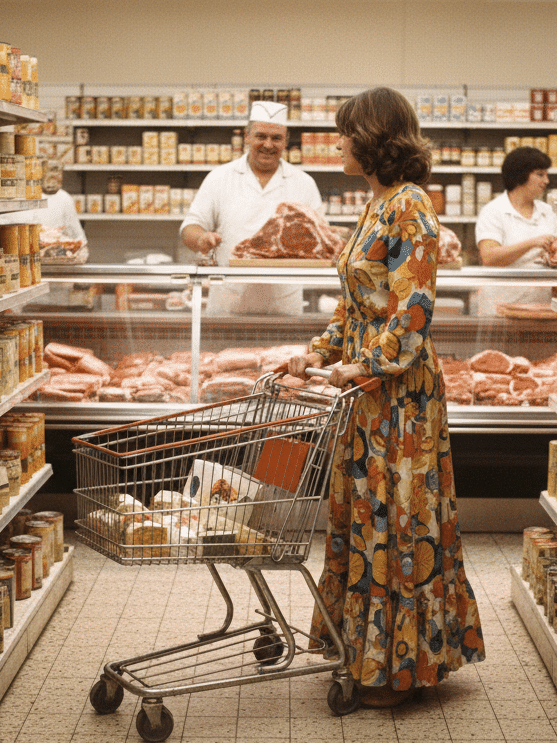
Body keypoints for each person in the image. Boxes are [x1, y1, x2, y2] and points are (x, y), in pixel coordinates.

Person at [287, 86, 484, 709]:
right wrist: (318, 351)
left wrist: (356, 367)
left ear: (373, 138)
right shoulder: (374, 207)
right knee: (368, 517)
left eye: (345, 133)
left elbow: (411, 316)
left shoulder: (411, 209)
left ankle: (400, 667)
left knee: (397, 521)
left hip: (402, 399)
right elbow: (356, 307)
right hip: (368, 394)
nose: (336, 143)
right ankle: (370, 655)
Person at [181, 101, 323, 315]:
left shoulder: (303, 183)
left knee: (285, 350)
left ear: (285, 141)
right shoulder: (220, 178)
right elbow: (191, 226)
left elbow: (322, 238)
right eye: (261, 136)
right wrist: (201, 240)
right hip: (229, 300)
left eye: (276, 138)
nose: (268, 144)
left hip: (283, 304)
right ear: (247, 137)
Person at [473, 145, 557, 314]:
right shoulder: (493, 211)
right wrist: (533, 243)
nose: (547, 181)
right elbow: (490, 257)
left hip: (541, 308)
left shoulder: (547, 211)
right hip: (501, 308)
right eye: (540, 174)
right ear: (520, 175)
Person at [0, 157, 88, 260]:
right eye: (49, 172)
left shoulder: (63, 198)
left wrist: (78, 256)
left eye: (58, 173)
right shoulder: (10, 196)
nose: (55, 177)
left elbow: (80, 241)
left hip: (52, 263)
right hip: (16, 263)